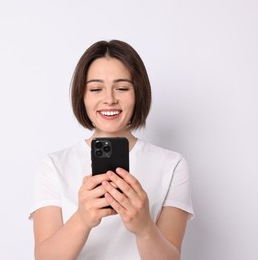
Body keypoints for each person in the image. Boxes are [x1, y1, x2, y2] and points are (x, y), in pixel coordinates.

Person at [30, 40, 194, 260]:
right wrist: (82, 219)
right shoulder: (53, 165)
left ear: (139, 94)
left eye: (123, 88)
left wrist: (144, 227)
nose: (109, 99)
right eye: (96, 89)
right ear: (82, 95)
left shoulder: (172, 165)